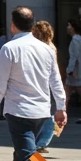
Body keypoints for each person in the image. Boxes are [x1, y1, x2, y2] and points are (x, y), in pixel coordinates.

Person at [0, 6, 66, 161]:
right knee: (22, 157)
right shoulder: (46, 49)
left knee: (28, 157)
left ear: (13, 25)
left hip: (19, 111)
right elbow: (56, 80)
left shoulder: (9, 48)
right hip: (41, 111)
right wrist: (61, 107)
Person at [31, 20, 59, 151]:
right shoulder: (50, 47)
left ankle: (39, 142)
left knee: (47, 115)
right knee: (48, 114)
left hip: (40, 83)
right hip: (46, 83)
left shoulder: (39, 47)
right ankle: (40, 142)